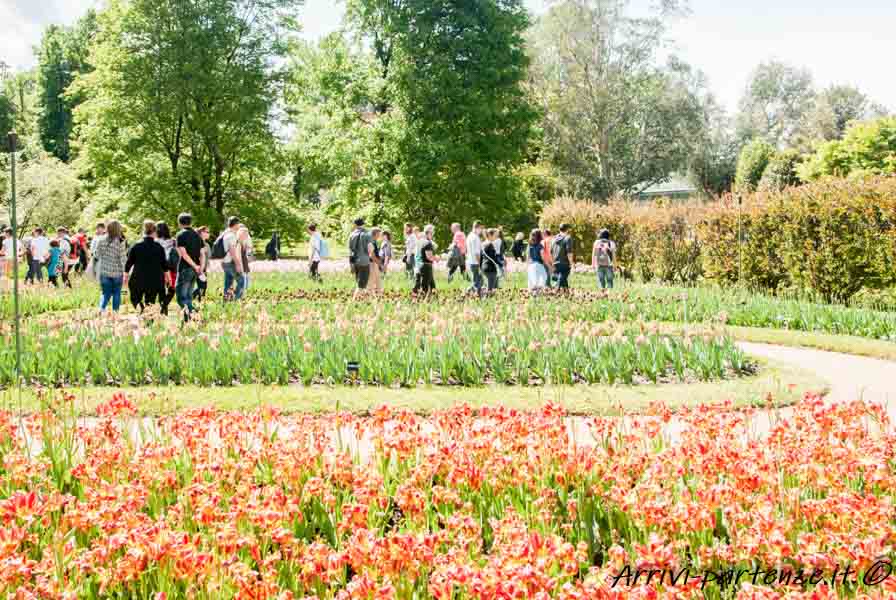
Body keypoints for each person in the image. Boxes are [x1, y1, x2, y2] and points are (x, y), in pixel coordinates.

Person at [125, 220, 167, 312]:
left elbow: (128, 263)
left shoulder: (136, 246)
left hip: (138, 278)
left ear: (143, 231)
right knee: (150, 301)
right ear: (155, 232)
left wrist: (126, 276)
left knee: (135, 298)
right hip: (155, 279)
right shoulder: (159, 247)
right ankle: (148, 319)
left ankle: (141, 310)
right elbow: (164, 264)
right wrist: (167, 278)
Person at [174, 213, 204, 320]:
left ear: (179, 222)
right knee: (188, 296)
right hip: (195, 269)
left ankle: (196, 317)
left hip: (185, 268)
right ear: (191, 222)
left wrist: (194, 265)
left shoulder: (180, 235)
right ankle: (188, 320)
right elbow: (202, 254)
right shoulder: (197, 235)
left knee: (181, 298)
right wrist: (200, 267)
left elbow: (183, 254)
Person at [96, 220, 128, 313]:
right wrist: (126, 272)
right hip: (117, 273)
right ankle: (115, 313)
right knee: (117, 294)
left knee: (105, 293)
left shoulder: (101, 240)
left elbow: (97, 255)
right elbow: (123, 259)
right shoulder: (120, 242)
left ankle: (101, 309)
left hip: (104, 272)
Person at [221, 216, 245, 301]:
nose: (239, 226)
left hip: (225, 262)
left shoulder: (225, 234)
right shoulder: (231, 236)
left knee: (228, 283)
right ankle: (236, 299)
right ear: (235, 224)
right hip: (230, 262)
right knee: (242, 280)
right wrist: (238, 264)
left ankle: (227, 300)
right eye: (238, 224)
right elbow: (232, 251)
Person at [348, 218, 372, 296]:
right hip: (364, 262)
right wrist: (370, 255)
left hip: (355, 261)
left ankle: (363, 300)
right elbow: (370, 248)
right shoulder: (367, 234)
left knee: (360, 282)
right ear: (363, 224)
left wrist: (351, 264)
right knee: (361, 285)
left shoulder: (351, 235)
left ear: (355, 225)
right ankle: (354, 300)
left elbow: (350, 250)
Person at [156, 222, 176, 315]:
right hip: (171, 268)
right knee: (172, 289)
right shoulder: (173, 241)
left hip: (159, 268)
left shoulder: (155, 241)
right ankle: (164, 306)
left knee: (161, 290)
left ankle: (164, 310)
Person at [413, 224, 438, 296]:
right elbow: (429, 257)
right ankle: (423, 302)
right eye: (433, 232)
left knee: (427, 285)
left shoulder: (420, 241)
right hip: (426, 266)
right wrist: (437, 258)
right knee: (425, 288)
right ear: (429, 232)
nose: (433, 234)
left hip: (419, 265)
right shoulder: (427, 243)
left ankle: (416, 299)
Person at [551, 223, 574, 290]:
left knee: (563, 280)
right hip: (564, 263)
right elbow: (569, 252)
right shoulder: (567, 238)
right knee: (561, 279)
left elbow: (551, 251)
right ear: (567, 230)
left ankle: (566, 293)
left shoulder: (554, 238)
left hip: (556, 262)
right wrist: (571, 263)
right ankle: (556, 291)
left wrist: (552, 262)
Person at [466, 222, 484, 297]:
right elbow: (477, 253)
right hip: (476, 262)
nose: (481, 230)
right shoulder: (475, 238)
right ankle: (475, 295)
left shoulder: (469, 236)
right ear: (477, 227)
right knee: (478, 281)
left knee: (477, 280)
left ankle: (470, 291)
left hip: (471, 261)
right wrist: (480, 263)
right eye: (481, 228)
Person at [193, 226, 211, 301]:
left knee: (203, 287)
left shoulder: (207, 244)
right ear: (201, 233)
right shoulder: (196, 243)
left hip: (204, 269)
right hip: (198, 268)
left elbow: (208, 258)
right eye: (207, 232)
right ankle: (191, 298)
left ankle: (195, 300)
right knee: (202, 287)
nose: (209, 234)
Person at [481, 228, 501, 294]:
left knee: (490, 287)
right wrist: (501, 264)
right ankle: (486, 300)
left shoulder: (483, 243)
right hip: (490, 267)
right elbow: (493, 257)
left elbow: (481, 257)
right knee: (490, 289)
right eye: (495, 235)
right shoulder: (490, 244)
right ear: (490, 235)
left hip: (485, 267)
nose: (496, 237)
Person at [368, 227, 384, 294]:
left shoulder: (374, 242)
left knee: (378, 279)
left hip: (375, 263)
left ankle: (378, 293)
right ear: (375, 234)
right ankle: (370, 294)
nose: (379, 236)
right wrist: (379, 263)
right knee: (371, 280)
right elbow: (372, 255)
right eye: (379, 234)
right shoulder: (370, 242)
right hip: (372, 263)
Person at [238, 226, 253, 293]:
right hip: (239, 263)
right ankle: (242, 291)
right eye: (245, 234)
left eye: (247, 234)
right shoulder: (237, 243)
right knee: (243, 278)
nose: (247, 236)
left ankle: (245, 290)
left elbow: (249, 249)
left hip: (244, 261)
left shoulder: (244, 242)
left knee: (247, 276)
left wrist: (248, 254)